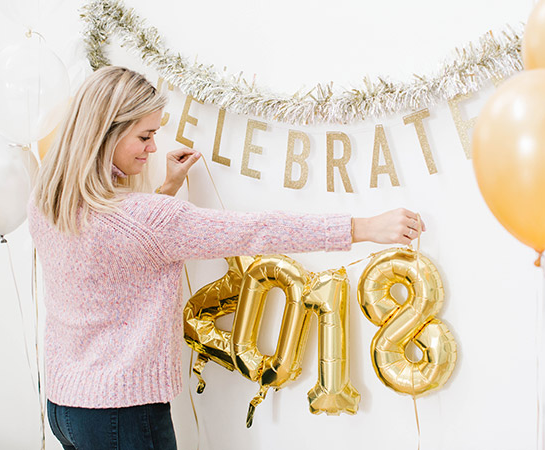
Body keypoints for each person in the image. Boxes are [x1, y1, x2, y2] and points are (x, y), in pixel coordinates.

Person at [29, 66, 425, 449]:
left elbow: (118, 251)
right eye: (145, 135)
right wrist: (364, 227)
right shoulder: (147, 220)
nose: (153, 147)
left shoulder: (48, 202)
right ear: (104, 134)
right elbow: (257, 230)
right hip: (122, 415)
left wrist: (167, 188)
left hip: (65, 408)